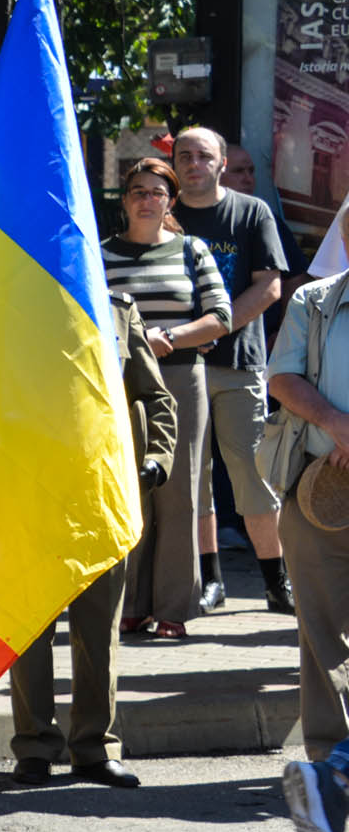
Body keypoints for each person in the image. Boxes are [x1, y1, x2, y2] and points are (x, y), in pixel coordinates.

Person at [8, 291, 174, 788]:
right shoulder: (12, 301)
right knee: (29, 627)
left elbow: (154, 396)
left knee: (98, 626)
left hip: (100, 486)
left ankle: (95, 748)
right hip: (29, 483)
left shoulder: (116, 308)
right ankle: (34, 746)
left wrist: (157, 459)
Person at [105, 157, 232, 639]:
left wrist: (170, 338)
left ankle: (175, 607)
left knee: (180, 493)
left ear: (170, 201)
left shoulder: (192, 250)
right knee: (128, 491)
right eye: (137, 190)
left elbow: (221, 315)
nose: (145, 199)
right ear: (125, 198)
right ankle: (131, 603)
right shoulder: (100, 253)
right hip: (120, 385)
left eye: (156, 192)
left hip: (180, 380)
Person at [171, 126, 293, 616]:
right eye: (184, 155)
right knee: (194, 478)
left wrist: (214, 330)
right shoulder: (163, 211)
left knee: (252, 474)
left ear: (222, 163)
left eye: (203, 155)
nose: (193, 163)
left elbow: (269, 288)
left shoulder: (251, 212)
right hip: (179, 367)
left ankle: (276, 581)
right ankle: (212, 581)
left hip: (238, 363)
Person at [272, 271, 349, 832]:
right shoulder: (315, 300)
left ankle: (333, 784)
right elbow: (281, 377)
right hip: (320, 490)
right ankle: (329, 774)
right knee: (323, 635)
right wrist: (334, 421)